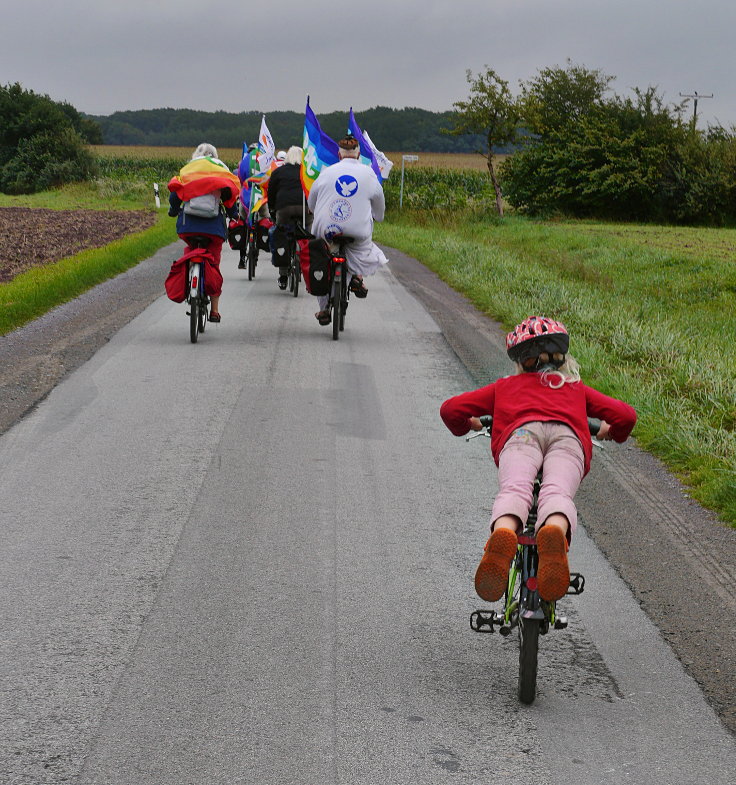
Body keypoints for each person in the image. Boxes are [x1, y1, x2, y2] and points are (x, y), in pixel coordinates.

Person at [439, 316, 637, 603]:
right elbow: (626, 416)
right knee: (557, 492)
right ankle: (554, 531)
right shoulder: (576, 389)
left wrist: (469, 425)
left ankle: (505, 533)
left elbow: (451, 409)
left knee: (515, 489)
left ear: (520, 362)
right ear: (562, 359)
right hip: (567, 439)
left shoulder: (505, 387)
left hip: (522, 437)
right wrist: (610, 432)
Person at [307, 134, 387, 326]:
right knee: (360, 248)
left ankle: (324, 309)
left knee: (325, 259)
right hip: (357, 232)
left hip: (328, 229)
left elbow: (311, 202)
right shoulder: (369, 174)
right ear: (358, 154)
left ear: (339, 154)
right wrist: (378, 216)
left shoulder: (327, 172)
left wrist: (315, 211)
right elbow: (379, 207)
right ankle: (356, 278)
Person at [168, 143, 240, 322]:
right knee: (213, 263)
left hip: (189, 226)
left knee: (191, 250)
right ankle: (214, 310)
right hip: (213, 229)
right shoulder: (220, 171)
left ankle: (188, 283)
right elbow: (229, 200)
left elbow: (175, 194)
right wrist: (234, 215)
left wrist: (173, 210)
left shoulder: (189, 170)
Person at [267, 145, 311, 289]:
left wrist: (273, 210)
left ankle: (283, 275)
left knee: (282, 238)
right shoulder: (307, 173)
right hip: (305, 209)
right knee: (308, 234)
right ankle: (307, 266)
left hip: (284, 209)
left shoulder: (279, 172)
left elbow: (271, 193)